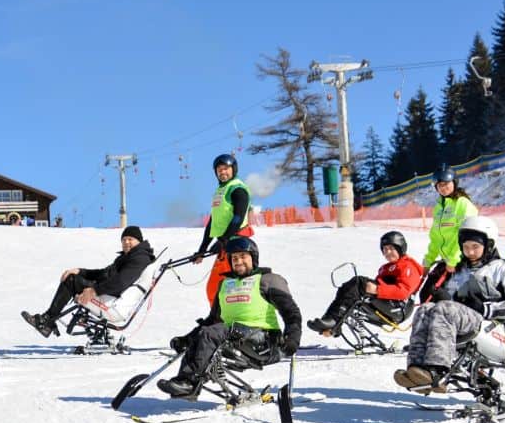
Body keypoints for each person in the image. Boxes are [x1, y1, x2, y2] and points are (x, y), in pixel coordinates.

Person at [393, 216, 505, 393]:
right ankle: (417, 369)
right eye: (465, 247)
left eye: (475, 247)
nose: (470, 252)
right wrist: (440, 294)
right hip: (471, 326)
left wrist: (486, 308)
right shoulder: (459, 271)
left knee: (444, 308)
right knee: (426, 309)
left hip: (504, 334)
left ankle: (438, 370)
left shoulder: (502, 268)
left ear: (488, 245)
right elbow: (449, 310)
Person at [159, 237, 301, 398]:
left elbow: (292, 313)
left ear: (253, 258)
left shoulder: (268, 280)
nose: (238, 261)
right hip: (233, 338)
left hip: (264, 342)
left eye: (243, 256)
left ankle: (189, 381)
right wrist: (187, 339)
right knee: (206, 332)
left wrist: (293, 339)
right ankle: (185, 383)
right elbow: (212, 321)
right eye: (234, 258)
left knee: (214, 332)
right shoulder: (226, 284)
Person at [22, 225, 155, 338]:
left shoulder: (139, 258)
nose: (126, 242)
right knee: (73, 277)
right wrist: (80, 271)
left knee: (72, 281)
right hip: (108, 293)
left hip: (111, 301)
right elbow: (104, 274)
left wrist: (94, 290)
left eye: (130, 239)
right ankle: (48, 321)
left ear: (139, 241)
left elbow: (121, 282)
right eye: (124, 239)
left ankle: (47, 321)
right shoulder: (128, 257)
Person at [307, 231, 424, 335]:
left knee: (359, 283)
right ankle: (331, 321)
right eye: (385, 249)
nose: (387, 252)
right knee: (348, 289)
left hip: (399, 309)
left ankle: (333, 321)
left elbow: (403, 292)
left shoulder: (408, 266)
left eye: (391, 248)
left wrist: (377, 290)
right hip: (389, 304)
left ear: (400, 248)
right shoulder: (385, 268)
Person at [192, 153, 253, 305]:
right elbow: (213, 222)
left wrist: (223, 240)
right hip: (226, 244)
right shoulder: (220, 191)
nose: (222, 172)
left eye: (226, 169)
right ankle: (217, 321)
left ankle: (230, 319)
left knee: (230, 287)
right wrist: (202, 249)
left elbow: (238, 218)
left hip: (237, 244)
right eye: (219, 170)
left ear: (234, 170)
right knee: (214, 288)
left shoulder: (238, 190)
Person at [421, 166, 478, 298]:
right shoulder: (439, 208)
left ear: (454, 183)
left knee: (449, 299)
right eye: (439, 185)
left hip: (462, 262)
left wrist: (453, 260)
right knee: (426, 295)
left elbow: (467, 236)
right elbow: (436, 239)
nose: (443, 187)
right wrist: (428, 261)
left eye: (446, 184)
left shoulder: (463, 204)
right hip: (447, 262)